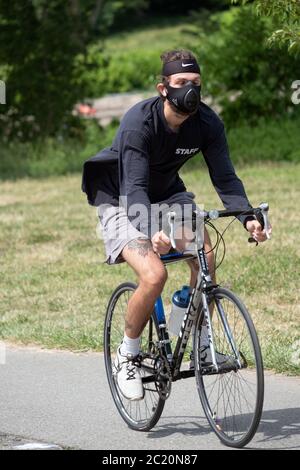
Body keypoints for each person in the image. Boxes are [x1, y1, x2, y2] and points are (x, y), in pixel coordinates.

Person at [82, 49, 269, 401]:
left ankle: (195, 336)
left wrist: (247, 218)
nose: (191, 91)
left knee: (206, 260)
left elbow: (226, 179)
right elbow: (135, 187)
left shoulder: (208, 124)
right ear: (163, 87)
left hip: (168, 195)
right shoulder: (140, 122)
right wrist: (150, 230)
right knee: (154, 275)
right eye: (182, 83)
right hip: (121, 197)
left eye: (196, 83)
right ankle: (128, 354)